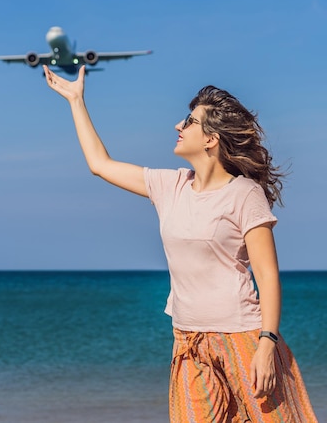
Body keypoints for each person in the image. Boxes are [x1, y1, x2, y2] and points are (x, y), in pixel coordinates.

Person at [43, 64, 318, 423]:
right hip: (187, 342)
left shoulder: (245, 194)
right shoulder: (169, 186)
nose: (178, 126)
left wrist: (267, 343)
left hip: (243, 338)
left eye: (188, 121)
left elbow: (267, 277)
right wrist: (76, 101)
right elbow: (100, 164)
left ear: (211, 139)